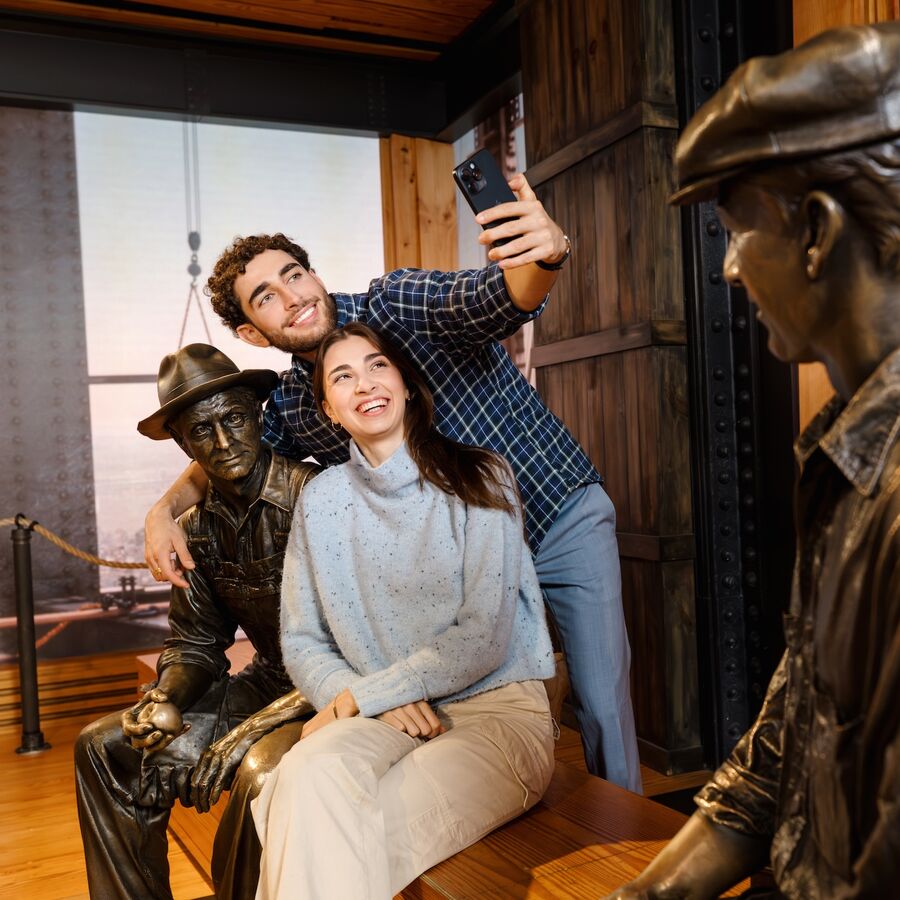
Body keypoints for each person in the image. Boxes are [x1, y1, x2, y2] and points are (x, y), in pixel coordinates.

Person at [145, 173, 642, 791]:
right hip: (461, 567)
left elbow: (501, 296)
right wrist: (163, 511)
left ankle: (629, 852)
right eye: (265, 296)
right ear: (251, 333)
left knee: (600, 701)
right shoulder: (302, 405)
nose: (292, 295)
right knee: (475, 710)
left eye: (294, 273)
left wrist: (546, 254)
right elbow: (235, 450)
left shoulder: (397, 303)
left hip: (554, 515)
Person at [608, 23, 900, 899]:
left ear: (816, 231)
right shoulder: (848, 456)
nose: (730, 269)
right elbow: (789, 737)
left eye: (739, 229)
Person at [251, 321, 556, 898]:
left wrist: (363, 696)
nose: (364, 383)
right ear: (329, 409)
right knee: (305, 777)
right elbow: (302, 638)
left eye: (376, 366)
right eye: (342, 376)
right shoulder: (322, 498)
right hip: (386, 718)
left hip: (496, 715)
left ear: (406, 384)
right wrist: (371, 699)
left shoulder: (482, 475)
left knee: (342, 828)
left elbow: (483, 635)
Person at [74, 344, 319, 900]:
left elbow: (362, 648)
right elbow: (196, 644)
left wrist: (249, 731)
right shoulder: (196, 529)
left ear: (256, 415)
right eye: (203, 432)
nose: (225, 442)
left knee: (261, 771)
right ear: (185, 445)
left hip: (334, 691)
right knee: (104, 747)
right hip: (270, 680)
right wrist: (166, 698)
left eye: (234, 419)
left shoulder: (316, 497)